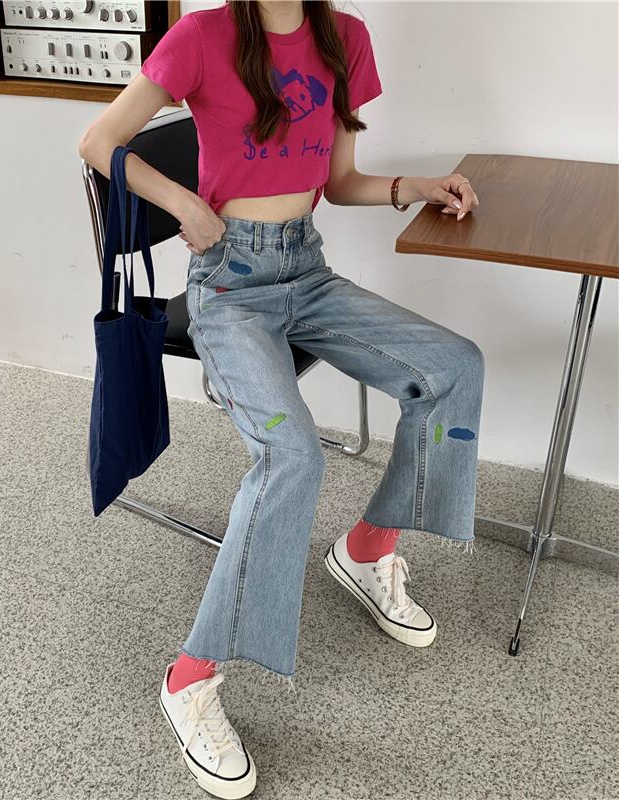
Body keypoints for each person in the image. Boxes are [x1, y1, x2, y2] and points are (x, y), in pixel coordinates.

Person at [78, 2, 483, 797]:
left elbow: (338, 182)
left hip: (309, 272)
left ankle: (365, 547)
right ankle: (189, 679)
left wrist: (417, 186)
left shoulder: (345, 37)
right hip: (230, 287)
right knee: (291, 454)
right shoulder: (203, 36)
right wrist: (186, 203)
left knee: (453, 367)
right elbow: (98, 141)